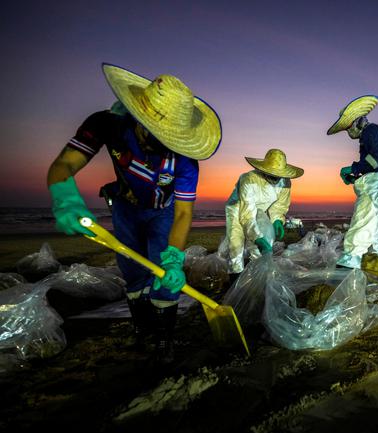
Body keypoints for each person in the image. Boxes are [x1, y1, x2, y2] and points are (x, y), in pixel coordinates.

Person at [46, 63, 221, 363]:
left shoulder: (186, 162)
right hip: (125, 208)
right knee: (133, 272)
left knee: (164, 276)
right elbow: (63, 165)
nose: (161, 143)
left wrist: (175, 258)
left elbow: (182, 214)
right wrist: (65, 197)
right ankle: (143, 331)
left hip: (163, 213)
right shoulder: (107, 125)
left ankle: (165, 339)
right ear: (137, 116)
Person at [327, 95, 378, 270]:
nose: (348, 132)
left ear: (356, 122)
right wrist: (357, 175)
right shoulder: (373, 133)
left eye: (348, 128)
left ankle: (345, 281)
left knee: (358, 236)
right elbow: (376, 163)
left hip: (374, 191)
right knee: (375, 239)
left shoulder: (370, 131)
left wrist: (354, 168)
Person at [223, 149, 303, 284]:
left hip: (261, 210)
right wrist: (257, 238)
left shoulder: (286, 182)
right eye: (271, 173)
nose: (275, 177)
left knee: (261, 247)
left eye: (278, 175)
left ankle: (256, 280)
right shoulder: (248, 179)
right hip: (238, 208)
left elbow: (279, 205)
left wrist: (277, 219)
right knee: (236, 244)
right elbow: (247, 213)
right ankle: (234, 281)